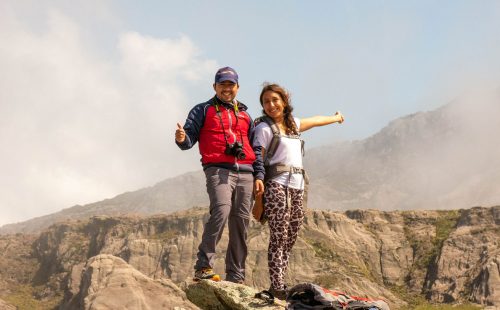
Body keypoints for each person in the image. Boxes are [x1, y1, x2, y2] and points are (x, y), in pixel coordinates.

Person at [252, 83, 344, 299]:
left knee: (291, 236)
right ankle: (278, 286)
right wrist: (258, 180)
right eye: (266, 102)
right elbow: (257, 155)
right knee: (278, 237)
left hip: (298, 188)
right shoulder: (264, 129)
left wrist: (336, 117)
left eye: (275, 100)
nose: (271, 105)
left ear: (284, 101)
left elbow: (316, 120)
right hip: (276, 185)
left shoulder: (293, 124)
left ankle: (281, 282)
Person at [175, 67, 261, 284]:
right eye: (222, 84)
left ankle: (236, 276)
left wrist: (259, 174)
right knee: (221, 212)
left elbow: (256, 148)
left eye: (231, 85)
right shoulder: (202, 110)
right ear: (215, 87)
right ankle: (203, 266)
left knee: (241, 223)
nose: (226, 88)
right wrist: (181, 138)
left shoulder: (245, 115)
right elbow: (188, 141)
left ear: (237, 88)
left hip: (246, 173)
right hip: (218, 169)